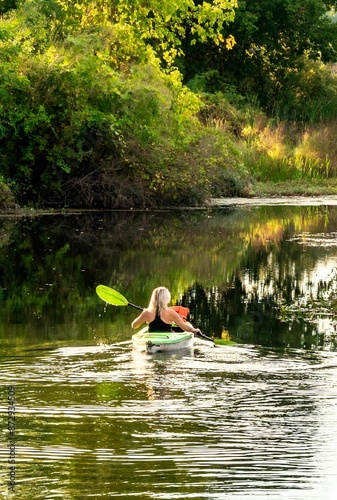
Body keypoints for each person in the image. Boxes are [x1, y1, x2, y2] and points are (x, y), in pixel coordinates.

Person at [131, 286, 201, 334]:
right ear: (166, 299)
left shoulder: (147, 313)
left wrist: (144, 313)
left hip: (152, 341)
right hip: (167, 339)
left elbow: (134, 325)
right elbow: (185, 327)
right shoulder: (170, 312)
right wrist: (195, 330)